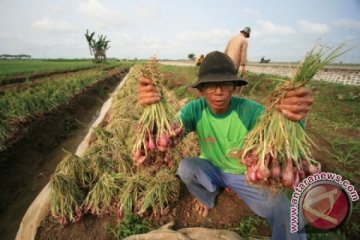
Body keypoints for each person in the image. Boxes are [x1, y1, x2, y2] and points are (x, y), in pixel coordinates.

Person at [138, 51, 312, 240]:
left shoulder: (250, 110)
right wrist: (153, 110)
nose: (218, 91)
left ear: (234, 87)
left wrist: (293, 117)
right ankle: (207, 197)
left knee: (284, 210)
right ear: (202, 89)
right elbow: (170, 131)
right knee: (186, 168)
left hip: (245, 176)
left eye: (225, 84)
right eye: (211, 85)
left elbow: (280, 129)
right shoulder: (194, 109)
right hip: (212, 169)